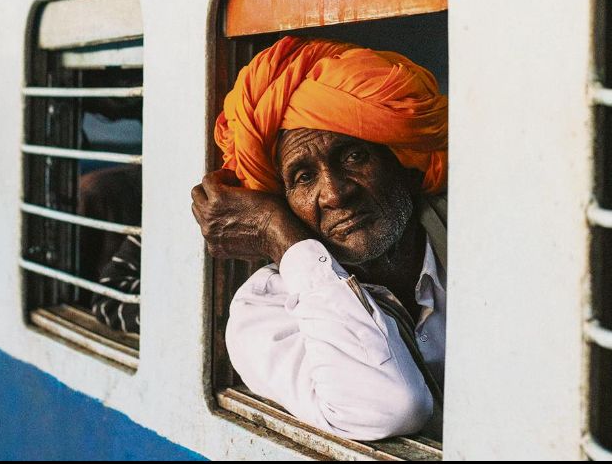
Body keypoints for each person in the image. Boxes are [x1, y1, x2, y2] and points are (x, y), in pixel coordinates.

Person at [191, 36, 448, 441]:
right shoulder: (262, 314)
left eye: (354, 156)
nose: (334, 194)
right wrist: (278, 234)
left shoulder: (476, 240)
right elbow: (391, 407)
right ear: (283, 203)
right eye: (303, 177)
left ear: (404, 163)